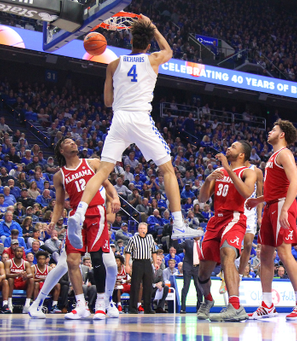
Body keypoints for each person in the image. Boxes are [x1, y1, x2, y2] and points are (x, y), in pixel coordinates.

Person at [67, 15, 202, 242]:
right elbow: (169, 51)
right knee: (168, 170)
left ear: (130, 41)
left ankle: (79, 213)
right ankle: (178, 225)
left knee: (102, 171)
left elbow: (108, 102)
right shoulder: (153, 59)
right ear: (149, 44)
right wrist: (154, 28)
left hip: (119, 118)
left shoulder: (114, 64)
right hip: (140, 118)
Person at [28, 137, 119, 320]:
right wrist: (53, 220)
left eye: (73, 141)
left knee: (105, 262)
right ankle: (81, 305)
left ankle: (106, 302)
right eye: (68, 142)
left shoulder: (92, 163)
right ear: (61, 150)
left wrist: (115, 198)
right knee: (70, 262)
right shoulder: (59, 175)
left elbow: (108, 185)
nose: (73, 143)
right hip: (76, 217)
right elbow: (60, 203)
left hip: (95, 214)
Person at [247, 120, 297, 320]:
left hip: (282, 205)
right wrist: (258, 200)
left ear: (282, 134)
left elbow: (296, 182)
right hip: (271, 205)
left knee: (284, 252)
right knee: (265, 254)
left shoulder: (284, 153)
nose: (270, 131)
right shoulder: (273, 157)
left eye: (274, 129)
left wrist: (285, 209)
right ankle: (267, 304)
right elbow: (273, 189)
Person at [196, 141, 256, 322]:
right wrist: (208, 180)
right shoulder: (219, 173)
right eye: (229, 146)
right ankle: (207, 300)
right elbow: (202, 199)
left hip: (235, 218)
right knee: (203, 272)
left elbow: (246, 192)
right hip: (215, 221)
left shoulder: (248, 172)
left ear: (241, 155)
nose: (228, 148)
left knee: (228, 252)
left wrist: (227, 169)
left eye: (233, 147)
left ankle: (235, 306)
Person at [238, 161, 263, 278]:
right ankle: (227, 271)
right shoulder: (235, 169)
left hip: (250, 213)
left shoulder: (257, 171)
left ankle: (239, 275)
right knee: (233, 246)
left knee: (248, 245)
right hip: (236, 210)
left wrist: (259, 217)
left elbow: (259, 196)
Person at [125, 222, 157, 314]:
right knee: (135, 285)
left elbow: (154, 251)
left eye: (144, 228)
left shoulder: (150, 238)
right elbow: (128, 252)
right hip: (137, 262)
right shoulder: (133, 239)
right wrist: (127, 264)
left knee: (148, 286)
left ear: (146, 230)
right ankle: (133, 308)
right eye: (141, 228)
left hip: (147, 262)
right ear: (138, 230)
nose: (142, 230)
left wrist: (155, 263)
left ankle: (148, 308)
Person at [4, 246, 34, 313]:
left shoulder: (26, 263)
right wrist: (17, 275)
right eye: (17, 251)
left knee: (31, 280)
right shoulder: (8, 262)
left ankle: (27, 304)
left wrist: (26, 276)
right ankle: (9, 303)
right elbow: (6, 274)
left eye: (21, 251)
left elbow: (31, 274)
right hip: (12, 283)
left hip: (22, 281)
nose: (19, 253)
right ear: (14, 252)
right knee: (10, 279)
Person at [178, 237, 203, 313]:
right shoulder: (188, 242)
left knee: (199, 288)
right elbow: (178, 246)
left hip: (198, 267)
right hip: (188, 266)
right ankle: (183, 308)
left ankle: (199, 309)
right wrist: (176, 238)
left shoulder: (203, 244)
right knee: (185, 287)